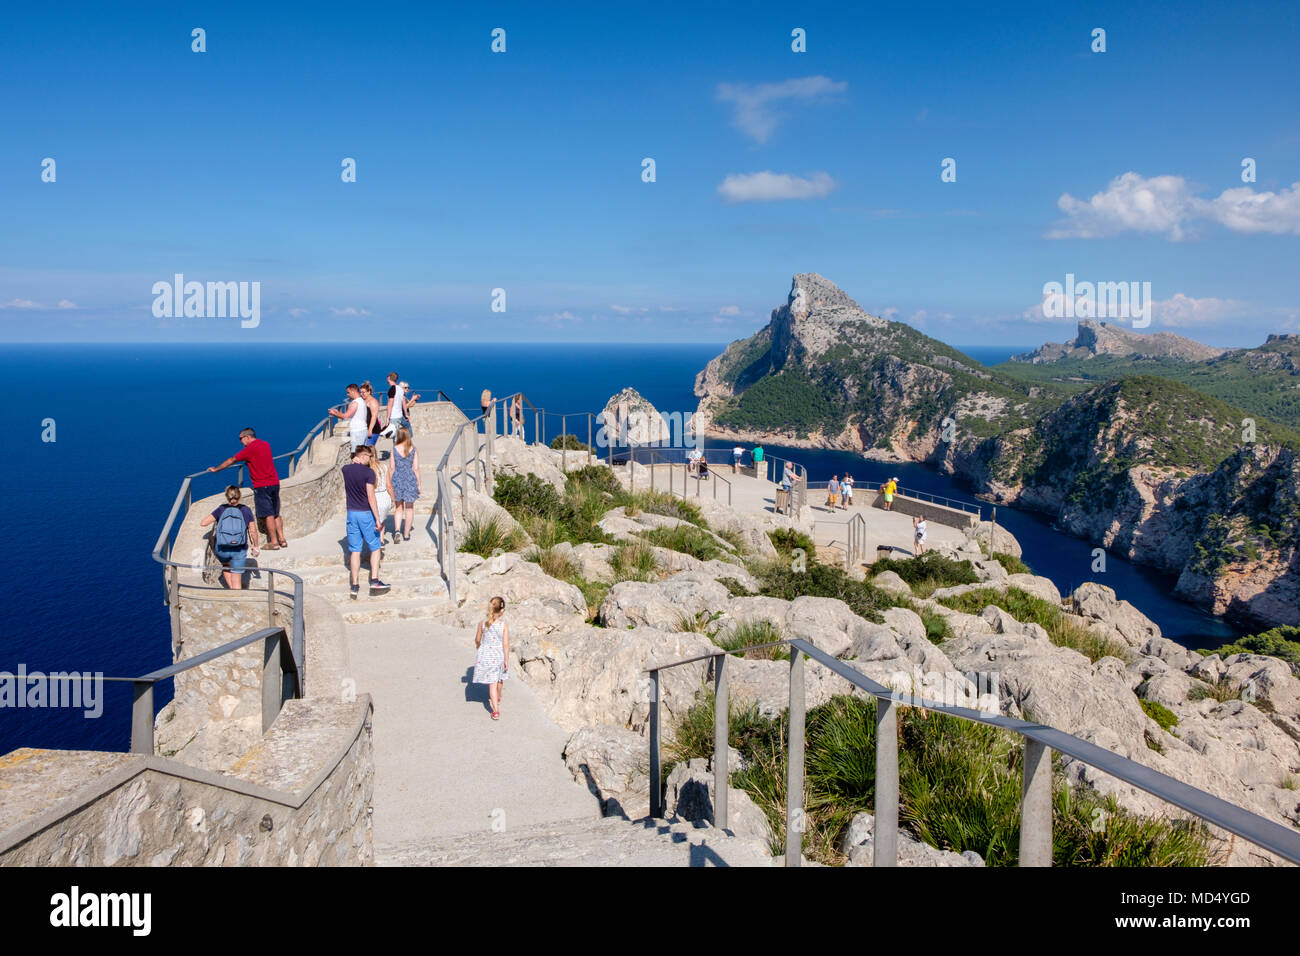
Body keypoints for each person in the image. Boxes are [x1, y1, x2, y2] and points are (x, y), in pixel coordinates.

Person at [208, 427, 287, 549]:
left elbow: (232, 460)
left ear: (247, 437)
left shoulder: (250, 449)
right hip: (274, 482)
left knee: (269, 514)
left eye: (241, 439)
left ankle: (274, 542)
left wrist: (216, 469)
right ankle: (282, 539)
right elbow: (260, 458)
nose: (240, 442)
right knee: (276, 513)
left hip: (262, 485)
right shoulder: (266, 444)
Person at [342, 445, 388, 597]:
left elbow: (347, 466)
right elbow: (371, 497)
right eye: (368, 456)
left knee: (355, 550)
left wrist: (354, 461)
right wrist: (377, 519)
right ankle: (374, 580)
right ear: (362, 456)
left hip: (351, 513)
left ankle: (354, 585)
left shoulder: (346, 470)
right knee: (375, 547)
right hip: (365, 513)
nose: (370, 459)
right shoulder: (369, 473)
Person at [199, 486, 259, 590]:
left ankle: (231, 590)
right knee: (237, 580)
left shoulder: (221, 509)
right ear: (240, 496)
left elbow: (203, 523)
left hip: (222, 548)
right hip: (239, 549)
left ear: (227, 497)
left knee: (226, 566)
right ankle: (236, 595)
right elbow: (253, 530)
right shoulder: (246, 510)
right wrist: (256, 546)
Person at [473, 596, 510, 720]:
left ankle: (495, 706)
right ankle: (496, 706)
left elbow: (477, 639)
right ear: (502, 611)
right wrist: (506, 659)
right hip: (498, 655)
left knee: (492, 682)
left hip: (485, 655)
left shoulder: (482, 624)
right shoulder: (503, 625)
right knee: (498, 679)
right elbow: (505, 644)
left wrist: (479, 646)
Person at [390, 426, 421, 543]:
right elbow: (416, 469)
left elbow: (392, 468)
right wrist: (418, 485)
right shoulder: (413, 449)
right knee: (409, 508)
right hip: (410, 479)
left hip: (397, 479)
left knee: (398, 508)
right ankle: (406, 534)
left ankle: (397, 530)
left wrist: (390, 483)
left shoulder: (394, 449)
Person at [329, 384, 368, 451]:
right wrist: (338, 412)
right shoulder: (362, 400)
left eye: (348, 392)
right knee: (361, 453)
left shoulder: (355, 403)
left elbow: (346, 416)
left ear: (353, 391)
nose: (347, 394)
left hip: (357, 432)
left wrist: (334, 414)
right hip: (362, 430)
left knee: (356, 454)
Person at [359, 382, 383, 447]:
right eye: (360, 392)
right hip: (364, 428)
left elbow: (374, 416)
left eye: (363, 392)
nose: (361, 394)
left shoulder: (373, 402)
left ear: (369, 392)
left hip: (373, 429)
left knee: (368, 449)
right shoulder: (363, 400)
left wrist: (370, 430)